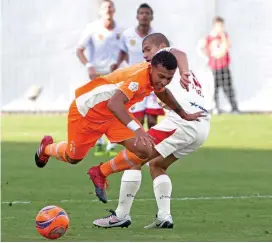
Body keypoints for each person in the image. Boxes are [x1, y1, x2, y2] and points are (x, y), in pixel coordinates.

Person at [89, 33, 210, 229]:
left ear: (161, 46)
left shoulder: (166, 57)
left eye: (147, 49)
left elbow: (179, 52)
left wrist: (185, 71)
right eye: (143, 50)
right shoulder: (163, 73)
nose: (144, 54)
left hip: (182, 123)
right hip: (201, 125)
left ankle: (120, 213)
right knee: (156, 165)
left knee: (138, 155)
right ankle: (164, 216)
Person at [35, 50, 203, 190]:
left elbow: (162, 92)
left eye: (169, 78)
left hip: (114, 115)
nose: (164, 82)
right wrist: (137, 130)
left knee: (145, 150)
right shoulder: (138, 79)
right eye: (161, 76)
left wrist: (183, 114)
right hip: (86, 112)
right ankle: (47, 148)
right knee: (73, 158)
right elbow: (114, 103)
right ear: (151, 68)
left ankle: (99, 172)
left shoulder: (153, 76)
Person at [76, 0, 122, 156]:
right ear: (100, 11)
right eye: (105, 7)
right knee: (98, 108)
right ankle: (99, 142)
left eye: (110, 7)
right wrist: (89, 65)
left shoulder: (120, 30)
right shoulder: (92, 28)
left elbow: (124, 50)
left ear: (114, 10)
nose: (108, 9)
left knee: (114, 107)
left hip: (114, 74)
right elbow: (79, 50)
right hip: (97, 73)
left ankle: (111, 144)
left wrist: (119, 63)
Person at [112, 3, 164, 129]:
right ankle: (139, 147)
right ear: (137, 16)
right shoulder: (127, 35)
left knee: (152, 120)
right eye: (141, 13)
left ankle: (152, 147)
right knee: (137, 119)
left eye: (147, 13)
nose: (144, 16)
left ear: (152, 17)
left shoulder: (157, 36)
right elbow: (123, 51)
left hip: (152, 81)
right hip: (135, 82)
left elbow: (165, 54)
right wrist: (116, 64)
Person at [197, 16, 239, 114]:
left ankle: (234, 108)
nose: (221, 28)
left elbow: (226, 47)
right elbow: (199, 48)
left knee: (228, 88)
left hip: (224, 66)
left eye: (222, 26)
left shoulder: (224, 36)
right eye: (219, 25)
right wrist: (207, 58)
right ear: (214, 26)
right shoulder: (209, 37)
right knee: (213, 89)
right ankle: (215, 108)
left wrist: (223, 36)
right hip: (214, 68)